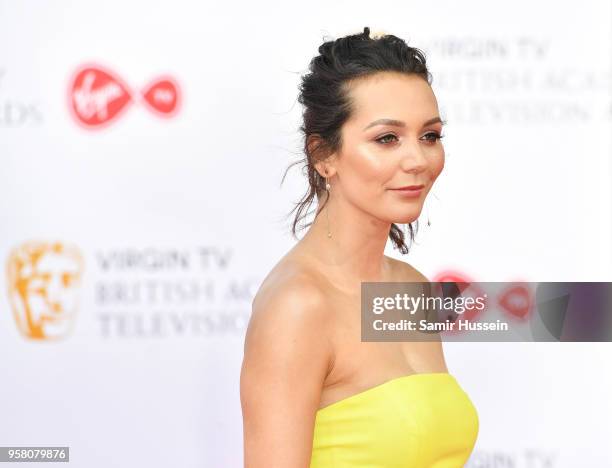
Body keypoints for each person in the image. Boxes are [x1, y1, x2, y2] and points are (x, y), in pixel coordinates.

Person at [240, 26, 479, 467]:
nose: (417, 159)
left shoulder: (411, 288)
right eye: (387, 138)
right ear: (323, 155)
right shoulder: (298, 305)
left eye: (430, 135)